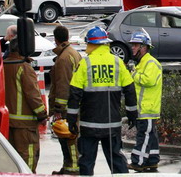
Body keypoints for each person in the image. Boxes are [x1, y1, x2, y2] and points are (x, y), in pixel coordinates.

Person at [66, 26, 138, 176]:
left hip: (89, 125)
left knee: (86, 162)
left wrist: (71, 120)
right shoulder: (117, 62)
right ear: (106, 43)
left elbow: (74, 94)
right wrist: (132, 115)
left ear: (91, 44)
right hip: (112, 124)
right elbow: (130, 91)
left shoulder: (85, 64)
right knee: (117, 161)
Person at [3, 35, 48, 173]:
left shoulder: (3, 66)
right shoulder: (24, 67)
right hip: (25, 125)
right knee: (28, 156)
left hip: (8, 122)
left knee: (12, 158)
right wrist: (42, 114)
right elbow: (33, 95)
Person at [48, 25, 83, 175]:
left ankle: (72, 169)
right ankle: (68, 167)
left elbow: (62, 86)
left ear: (55, 39)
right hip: (75, 104)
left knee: (68, 138)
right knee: (71, 137)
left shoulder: (63, 58)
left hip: (67, 107)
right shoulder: (74, 53)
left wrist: (58, 110)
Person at [128, 30, 163, 172]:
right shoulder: (143, 62)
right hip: (144, 108)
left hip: (147, 108)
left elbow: (147, 80)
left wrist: (133, 73)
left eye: (135, 45)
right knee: (151, 136)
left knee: (144, 136)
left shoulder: (151, 63)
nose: (133, 48)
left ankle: (138, 162)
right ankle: (152, 161)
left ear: (143, 47)